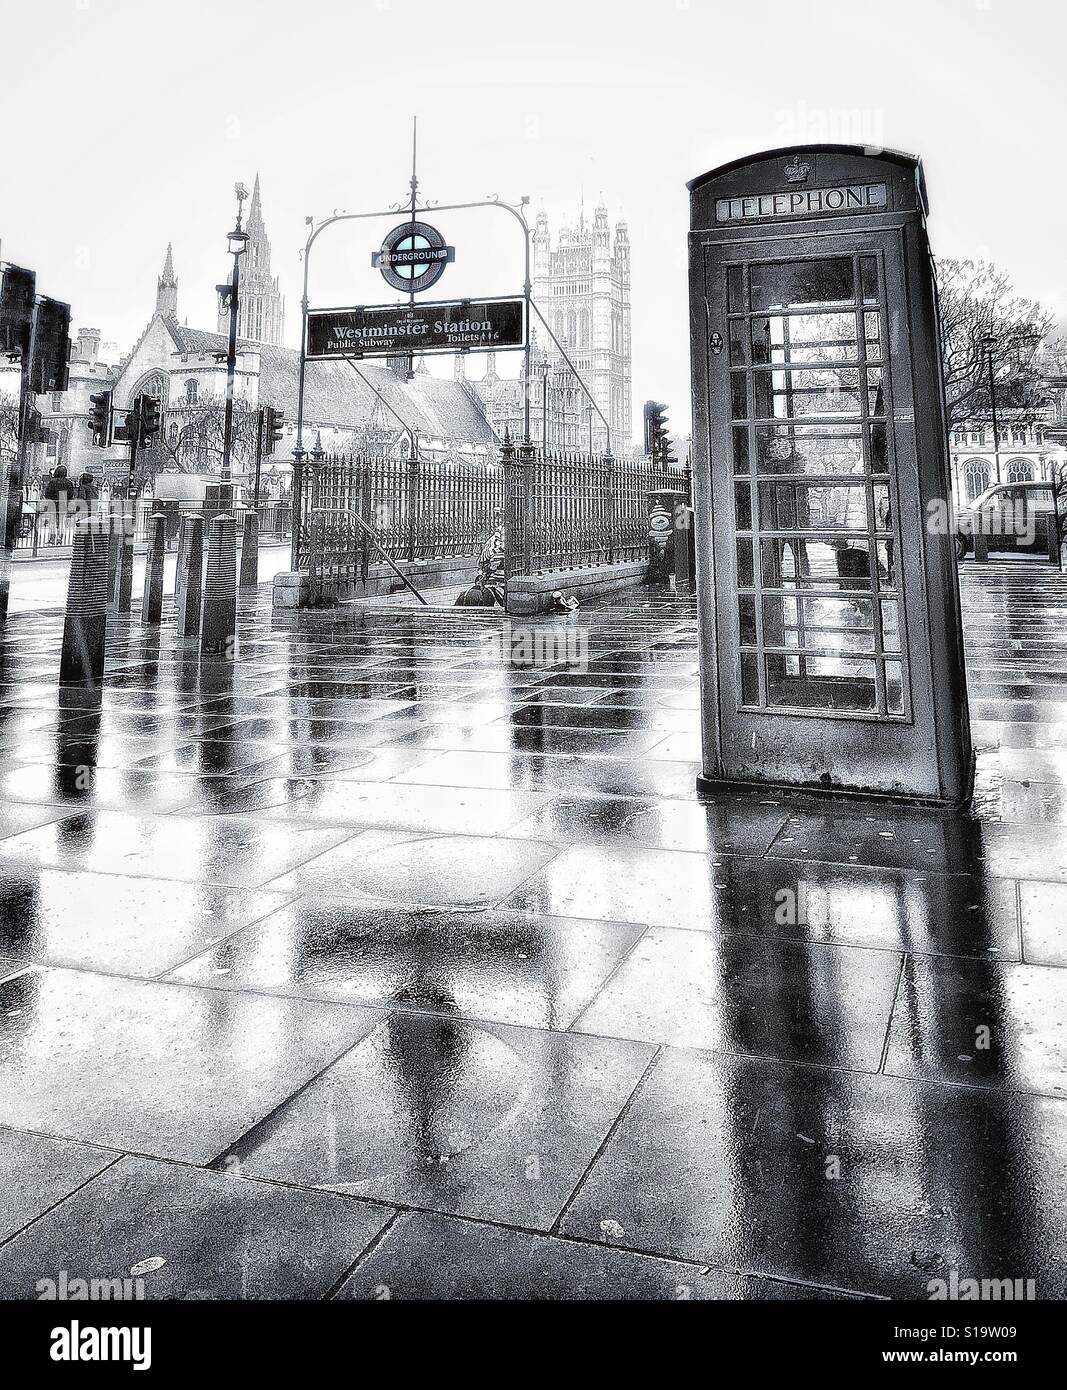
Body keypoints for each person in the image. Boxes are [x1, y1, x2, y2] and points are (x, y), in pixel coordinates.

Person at [42, 466, 72, 545]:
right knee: (62, 522)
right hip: (63, 504)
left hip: (53, 503)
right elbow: (70, 494)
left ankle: (52, 538)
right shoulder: (68, 482)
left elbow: (47, 493)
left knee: (52, 521)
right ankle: (60, 538)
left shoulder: (52, 481)